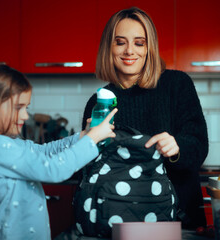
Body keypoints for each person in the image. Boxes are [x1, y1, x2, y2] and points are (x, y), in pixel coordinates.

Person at [0, 63, 117, 240]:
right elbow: (52, 169)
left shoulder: (9, 143)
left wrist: (82, 137)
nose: (25, 115)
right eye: (18, 108)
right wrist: (91, 141)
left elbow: (44, 151)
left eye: (26, 108)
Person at [82, 7, 208, 230]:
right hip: (115, 218)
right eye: (120, 42)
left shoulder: (177, 85)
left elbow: (198, 146)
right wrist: (86, 145)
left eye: (139, 43)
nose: (129, 51)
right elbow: (92, 172)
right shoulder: (98, 102)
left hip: (178, 220)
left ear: (150, 48)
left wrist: (176, 148)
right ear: (108, 48)